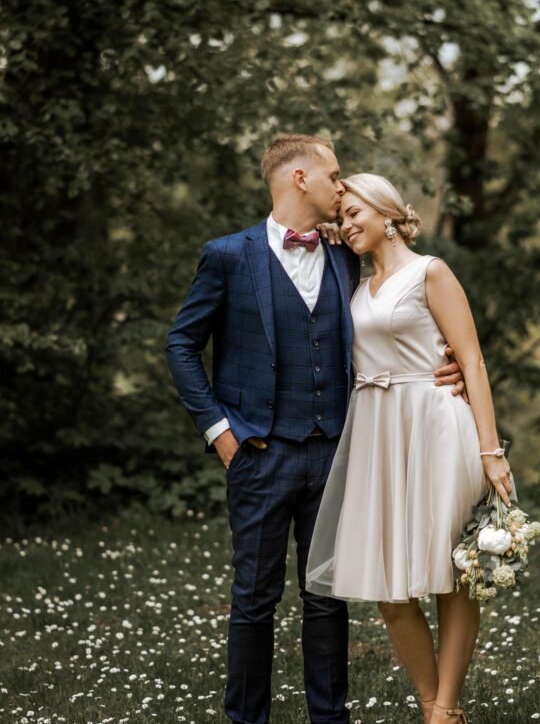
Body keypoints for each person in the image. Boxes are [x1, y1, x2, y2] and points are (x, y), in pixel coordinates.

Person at [166, 136, 465, 724]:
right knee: (255, 598)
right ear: (300, 178)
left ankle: (331, 719)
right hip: (257, 451)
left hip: (337, 450)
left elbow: (393, 318)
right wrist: (220, 431)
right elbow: (181, 343)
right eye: (333, 175)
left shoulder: (344, 253)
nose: (341, 184)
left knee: (326, 597)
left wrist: (442, 361)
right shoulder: (228, 255)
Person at [306, 173, 514, 724]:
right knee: (388, 590)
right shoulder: (353, 281)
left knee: (450, 572)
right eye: (341, 216)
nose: (347, 224)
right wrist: (330, 232)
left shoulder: (431, 272)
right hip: (377, 431)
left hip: (435, 424)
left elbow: (470, 361)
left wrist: (491, 452)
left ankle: (442, 710)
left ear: (388, 213)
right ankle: (430, 699)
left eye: (356, 213)